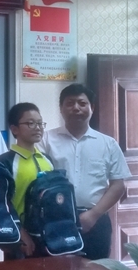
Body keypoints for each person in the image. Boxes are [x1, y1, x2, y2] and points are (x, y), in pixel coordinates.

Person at [40, 84, 130, 260]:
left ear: (92, 108)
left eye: (82, 103)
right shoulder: (46, 141)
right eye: (70, 103)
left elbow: (118, 185)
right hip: (55, 219)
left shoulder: (108, 144)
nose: (76, 108)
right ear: (61, 108)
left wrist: (93, 215)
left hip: (96, 221)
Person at [0, 103, 54, 258]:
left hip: (47, 236)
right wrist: (20, 231)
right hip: (20, 239)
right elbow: (1, 201)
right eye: (30, 123)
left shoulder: (47, 159)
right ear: (14, 129)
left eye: (40, 123)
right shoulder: (6, 161)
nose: (38, 128)